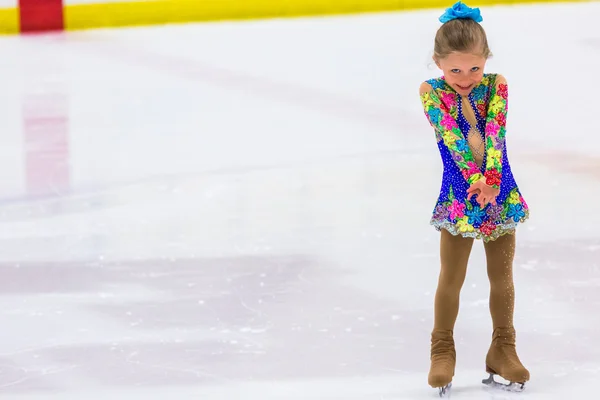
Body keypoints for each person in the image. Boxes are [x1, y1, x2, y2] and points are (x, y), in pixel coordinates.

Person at [418, 1, 530, 395]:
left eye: (473, 68)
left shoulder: (496, 86)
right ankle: (442, 350)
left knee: (502, 279)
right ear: (437, 62)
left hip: (499, 193)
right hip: (459, 196)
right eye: (455, 70)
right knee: (452, 278)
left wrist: (493, 181)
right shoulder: (431, 93)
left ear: (486, 60)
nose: (465, 78)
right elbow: (452, 140)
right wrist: (477, 181)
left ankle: (503, 347)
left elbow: (495, 134)